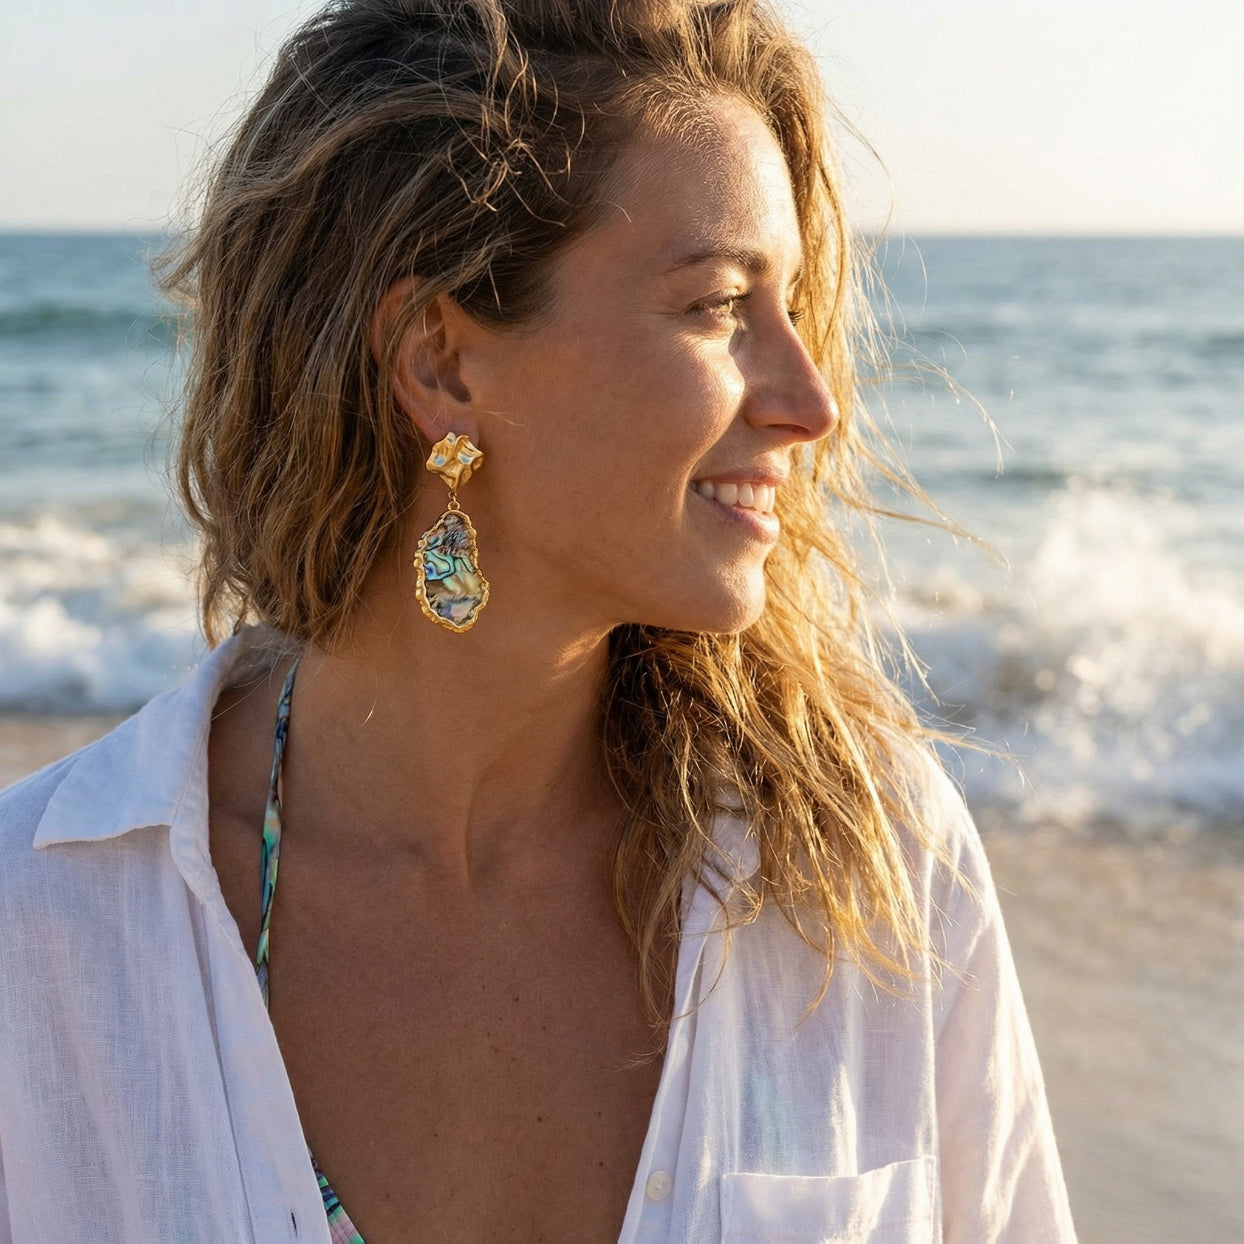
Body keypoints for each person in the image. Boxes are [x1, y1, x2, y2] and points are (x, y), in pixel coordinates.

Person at [0, 0, 1077, 1239]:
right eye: (719, 302)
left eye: (791, 304)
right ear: (442, 362)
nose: (807, 401)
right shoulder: (47, 933)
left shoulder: (865, 874)